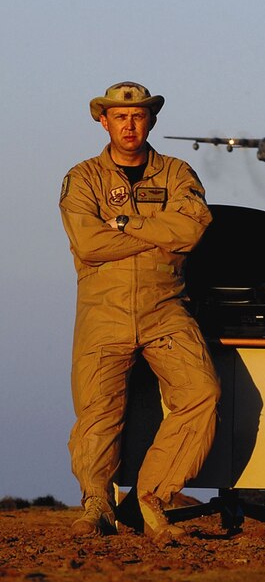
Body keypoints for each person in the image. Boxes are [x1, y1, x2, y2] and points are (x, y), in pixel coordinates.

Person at [59, 82, 221, 543]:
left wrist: (126, 223)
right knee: (97, 413)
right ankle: (96, 504)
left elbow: (192, 230)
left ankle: (151, 499)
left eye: (138, 116)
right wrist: (159, 232)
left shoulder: (176, 173)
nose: (129, 125)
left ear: (151, 120)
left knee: (200, 393)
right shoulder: (83, 177)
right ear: (104, 121)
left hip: (165, 307)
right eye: (120, 117)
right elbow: (88, 243)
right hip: (102, 311)